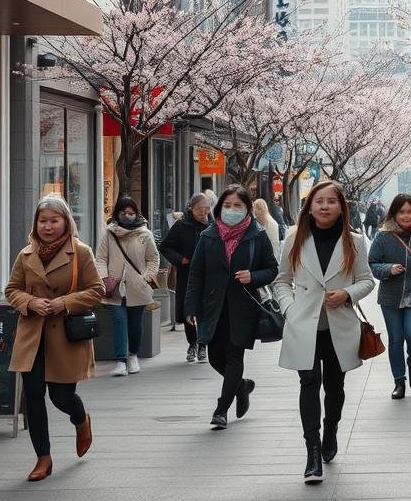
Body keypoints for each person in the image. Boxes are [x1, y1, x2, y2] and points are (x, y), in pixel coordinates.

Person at [273, 180, 376, 484]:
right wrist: (290, 309)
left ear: (341, 206)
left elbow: (367, 280)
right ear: (310, 205)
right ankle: (312, 452)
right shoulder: (293, 237)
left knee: (334, 386)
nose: (325, 206)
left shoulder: (354, 241)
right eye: (319, 201)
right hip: (303, 324)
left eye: (332, 201)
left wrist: (347, 293)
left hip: (338, 326)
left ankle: (330, 429)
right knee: (308, 382)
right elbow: (282, 280)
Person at [5, 195, 104, 481]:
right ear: (36, 223)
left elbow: (96, 290)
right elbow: (11, 289)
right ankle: (43, 458)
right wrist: (30, 302)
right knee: (33, 396)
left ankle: (81, 419)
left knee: (62, 397)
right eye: (43, 221)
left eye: (54, 220)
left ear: (65, 222)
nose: (48, 226)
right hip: (31, 335)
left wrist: (64, 303)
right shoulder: (25, 255)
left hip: (64, 336)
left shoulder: (80, 252)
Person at [185, 185, 279, 430]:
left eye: (238, 205)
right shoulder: (209, 235)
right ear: (219, 208)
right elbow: (196, 274)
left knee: (234, 355)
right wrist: (190, 307)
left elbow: (272, 269)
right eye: (227, 205)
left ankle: (221, 409)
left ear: (247, 208)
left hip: (243, 307)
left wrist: (253, 276)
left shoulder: (257, 235)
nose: (232, 210)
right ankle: (242, 386)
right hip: (212, 306)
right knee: (216, 357)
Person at [368, 193, 411, 399]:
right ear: (394, 214)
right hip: (391, 295)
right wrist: (389, 269)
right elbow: (373, 263)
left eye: (410, 211)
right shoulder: (383, 236)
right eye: (402, 212)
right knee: (396, 339)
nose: (406, 216)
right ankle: (399, 381)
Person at [95, 196, 159, 377]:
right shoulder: (109, 232)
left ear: (136, 213)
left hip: (137, 287)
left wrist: (145, 277)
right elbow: (101, 258)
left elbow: (153, 258)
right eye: (123, 212)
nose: (127, 216)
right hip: (113, 287)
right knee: (118, 321)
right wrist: (104, 278)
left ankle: (133, 355)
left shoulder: (145, 234)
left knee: (135, 324)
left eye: (131, 213)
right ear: (117, 213)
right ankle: (121, 360)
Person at [160, 193, 212, 364]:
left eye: (207, 208)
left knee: (205, 310)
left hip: (209, 275)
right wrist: (179, 259)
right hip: (187, 275)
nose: (204, 211)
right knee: (189, 310)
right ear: (191, 208)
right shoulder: (181, 225)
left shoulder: (213, 225)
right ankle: (192, 343)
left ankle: (203, 344)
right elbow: (165, 246)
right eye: (200, 208)